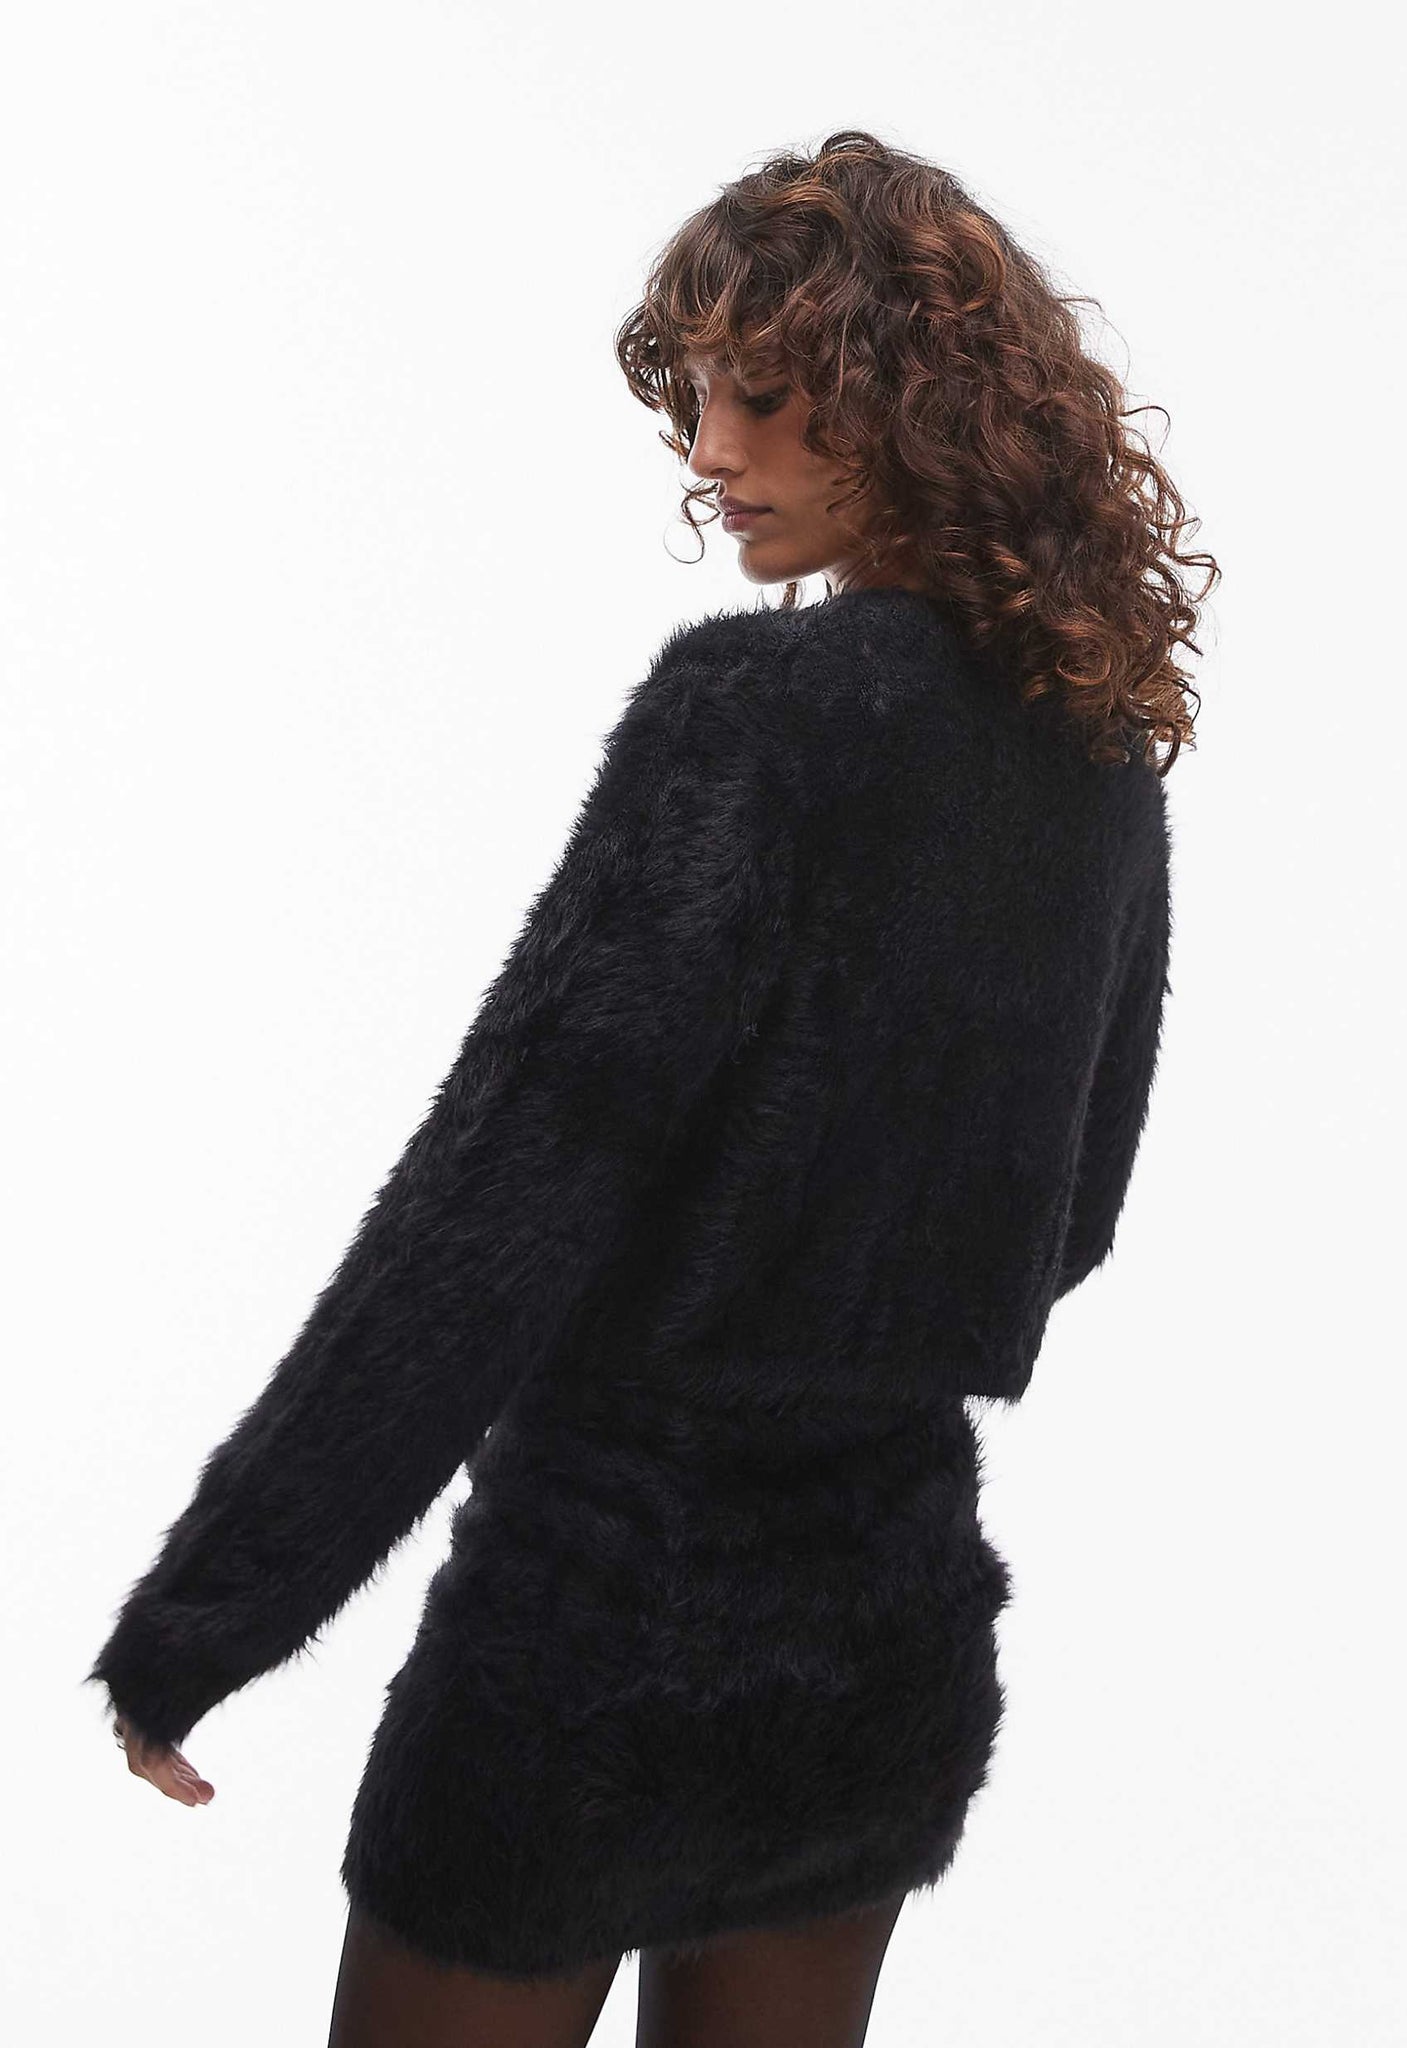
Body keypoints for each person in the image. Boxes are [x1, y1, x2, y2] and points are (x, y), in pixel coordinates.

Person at [88, 130, 1217, 2047]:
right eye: (695, 398)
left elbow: (495, 1201)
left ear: (899, 398)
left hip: (599, 1619)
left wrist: (212, 1609)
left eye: (758, 396)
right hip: (879, 1626)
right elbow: (1073, 1211)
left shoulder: (747, 720)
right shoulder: (1092, 755)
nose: (707, 450)